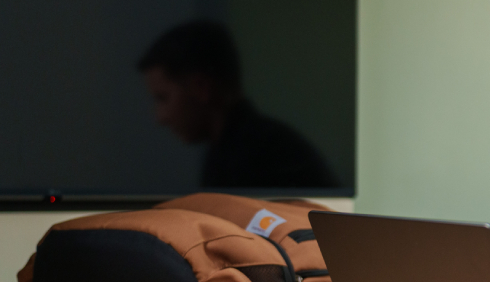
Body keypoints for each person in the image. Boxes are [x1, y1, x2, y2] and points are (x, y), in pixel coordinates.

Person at [138, 20, 341, 190]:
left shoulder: (260, 158)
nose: (160, 118)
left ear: (201, 87)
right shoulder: (233, 151)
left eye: (162, 98)